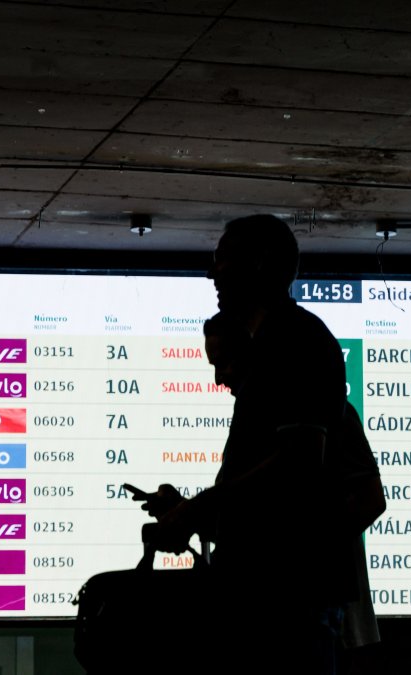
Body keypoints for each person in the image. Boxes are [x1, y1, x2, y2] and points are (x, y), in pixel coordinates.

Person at [142, 215, 349, 675]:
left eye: (223, 259)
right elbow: (268, 489)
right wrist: (197, 513)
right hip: (269, 598)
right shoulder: (272, 345)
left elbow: (297, 463)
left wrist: (197, 510)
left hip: (285, 603)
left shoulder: (297, 341)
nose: (212, 273)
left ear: (257, 264)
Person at [197, 311, 386, 674]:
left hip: (300, 611)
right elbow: (256, 512)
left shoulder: (328, 414)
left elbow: (369, 501)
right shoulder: (256, 417)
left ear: (259, 354)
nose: (220, 378)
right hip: (268, 610)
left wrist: (295, 552)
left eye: (226, 363)